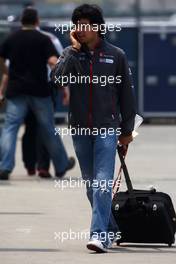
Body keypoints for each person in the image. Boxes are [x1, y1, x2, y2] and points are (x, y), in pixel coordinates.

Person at [52, 4, 136, 253]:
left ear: (98, 27)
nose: (80, 29)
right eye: (77, 25)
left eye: (85, 25)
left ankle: (98, 235)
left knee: (101, 182)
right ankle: (110, 229)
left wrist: (127, 130)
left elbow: (126, 96)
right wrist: (72, 52)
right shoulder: (71, 54)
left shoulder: (116, 55)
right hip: (80, 130)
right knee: (91, 185)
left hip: (107, 129)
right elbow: (56, 80)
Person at [0, 7, 75, 180]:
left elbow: (2, 60)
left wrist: (5, 75)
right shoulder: (43, 39)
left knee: (10, 128)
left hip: (16, 90)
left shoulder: (11, 39)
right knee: (48, 128)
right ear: (37, 21)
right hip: (39, 91)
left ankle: (4, 166)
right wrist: (64, 86)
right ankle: (61, 165)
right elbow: (53, 63)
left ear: (21, 22)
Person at [21, 25, 65, 178]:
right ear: (37, 21)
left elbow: (8, 65)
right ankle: (44, 167)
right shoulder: (49, 39)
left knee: (29, 128)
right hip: (44, 87)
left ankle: (29, 165)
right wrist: (64, 88)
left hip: (21, 88)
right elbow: (59, 65)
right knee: (45, 127)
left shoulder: (17, 38)